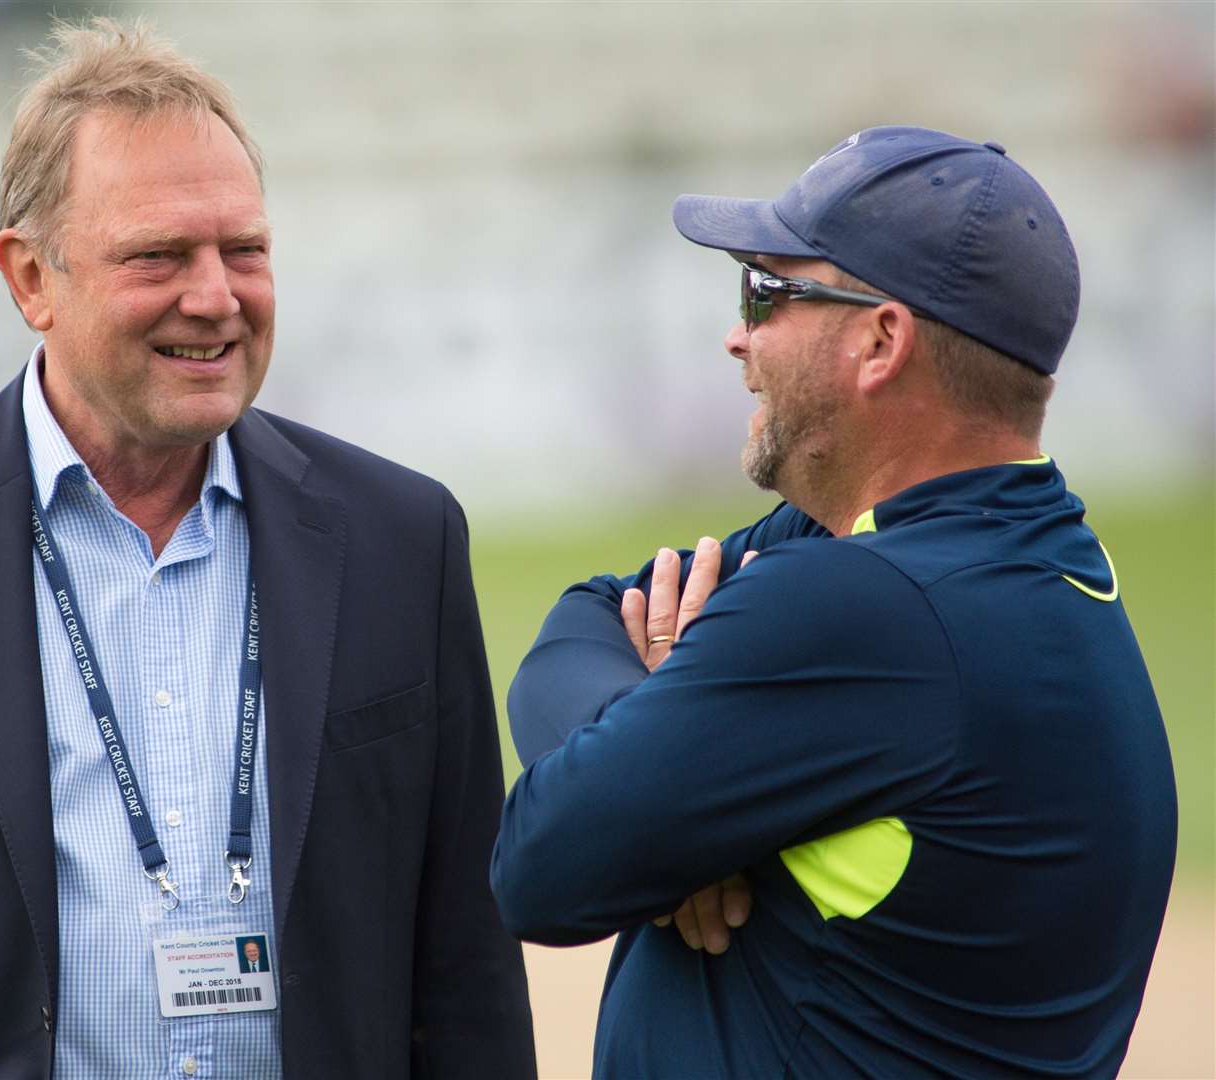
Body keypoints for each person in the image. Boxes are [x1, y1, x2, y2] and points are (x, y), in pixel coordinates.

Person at [0, 17, 535, 1080]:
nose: (216, 296)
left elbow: (465, 959)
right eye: (159, 256)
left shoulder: (400, 542)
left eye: (245, 250)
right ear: (30, 279)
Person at [490, 126, 1177, 1078]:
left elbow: (540, 867)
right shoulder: (989, 550)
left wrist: (648, 803)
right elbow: (591, 614)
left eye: (767, 293)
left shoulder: (870, 609)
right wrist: (656, 784)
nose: (737, 335)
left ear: (880, 340)